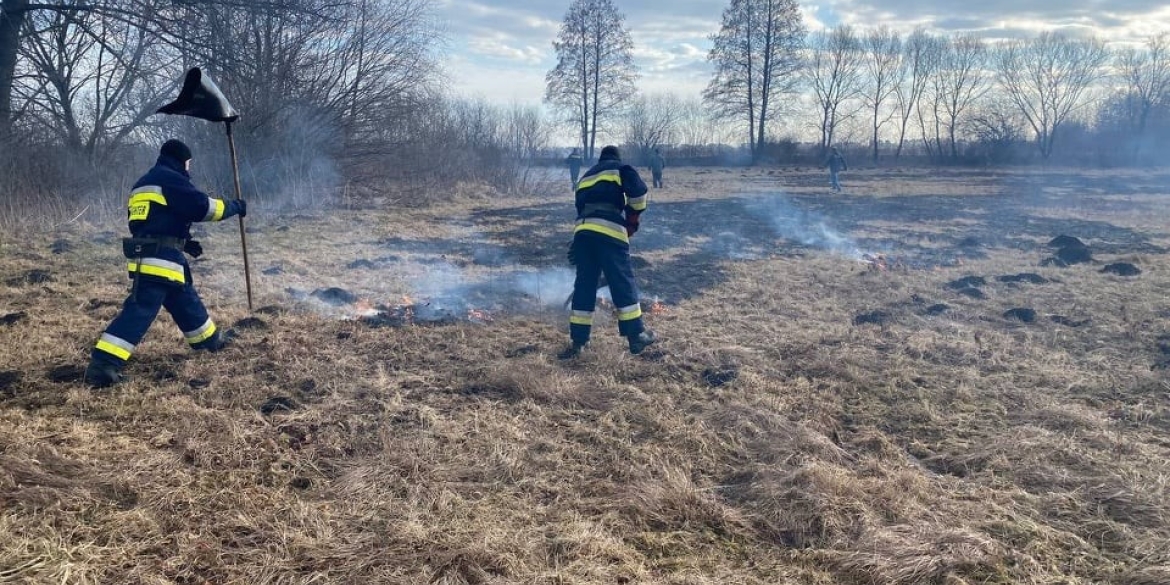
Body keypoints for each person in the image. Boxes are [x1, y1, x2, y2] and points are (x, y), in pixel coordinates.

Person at [84, 139, 247, 388]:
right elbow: (204, 208)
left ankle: (208, 340)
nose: (189, 168)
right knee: (141, 309)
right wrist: (235, 206)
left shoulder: (143, 183)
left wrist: (184, 241)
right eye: (189, 163)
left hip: (153, 253)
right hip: (159, 258)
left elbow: (154, 220)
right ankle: (103, 365)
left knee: (184, 298)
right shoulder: (171, 179)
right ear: (182, 160)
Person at [562, 145, 657, 358]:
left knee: (584, 285)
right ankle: (636, 336)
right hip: (610, 232)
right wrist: (632, 217)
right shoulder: (621, 168)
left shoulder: (586, 176)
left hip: (583, 233)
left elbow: (580, 208)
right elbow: (640, 193)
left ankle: (579, 342)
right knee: (621, 280)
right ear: (616, 157)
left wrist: (579, 241)